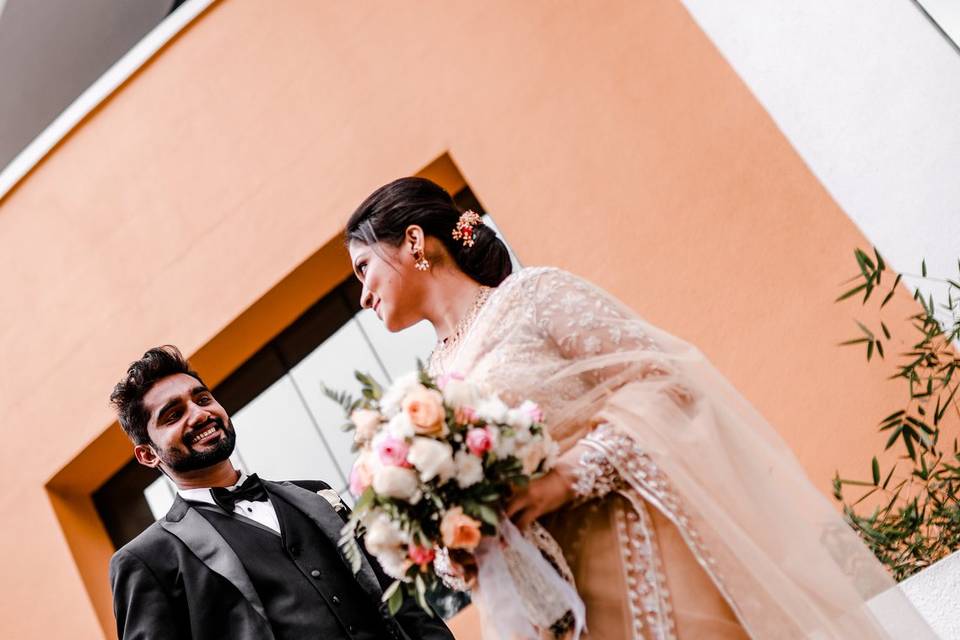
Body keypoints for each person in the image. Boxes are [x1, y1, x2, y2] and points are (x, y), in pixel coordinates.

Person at [344, 177, 936, 639]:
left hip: (638, 555)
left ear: (415, 241)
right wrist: (455, 543)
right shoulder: (424, 389)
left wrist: (569, 476)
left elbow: (665, 381)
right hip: (554, 606)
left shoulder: (532, 296)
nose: (363, 294)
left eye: (364, 267)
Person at [107, 345, 454, 640]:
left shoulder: (317, 496)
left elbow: (402, 600)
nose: (199, 414)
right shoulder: (146, 561)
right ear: (148, 454)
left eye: (202, 399)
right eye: (173, 414)